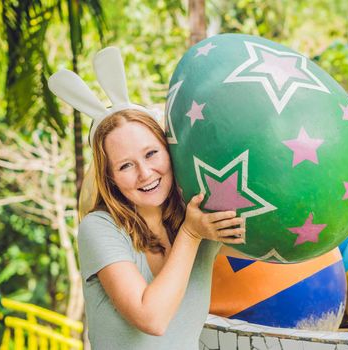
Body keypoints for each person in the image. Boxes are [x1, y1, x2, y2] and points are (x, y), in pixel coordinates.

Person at [48, 47, 245, 349]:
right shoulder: (100, 227)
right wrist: (191, 235)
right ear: (109, 178)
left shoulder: (195, 214)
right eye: (125, 165)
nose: (145, 173)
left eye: (151, 153)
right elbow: (151, 318)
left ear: (169, 150)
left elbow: (263, 245)